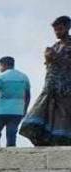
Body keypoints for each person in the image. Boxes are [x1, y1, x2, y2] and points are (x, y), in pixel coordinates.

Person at [21, 16, 71, 146]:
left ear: (67, 28)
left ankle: (62, 141)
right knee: (42, 112)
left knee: (64, 117)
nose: (57, 33)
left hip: (66, 88)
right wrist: (49, 58)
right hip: (51, 87)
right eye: (55, 30)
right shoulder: (55, 46)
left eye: (60, 29)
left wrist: (57, 58)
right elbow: (50, 66)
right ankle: (45, 140)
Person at [0, 56, 32, 147]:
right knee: (11, 135)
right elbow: (27, 96)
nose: (0, 68)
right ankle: (11, 156)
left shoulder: (1, 77)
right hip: (17, 111)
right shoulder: (24, 77)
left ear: (4, 65)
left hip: (0, 111)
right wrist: (25, 109)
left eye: (0, 66)